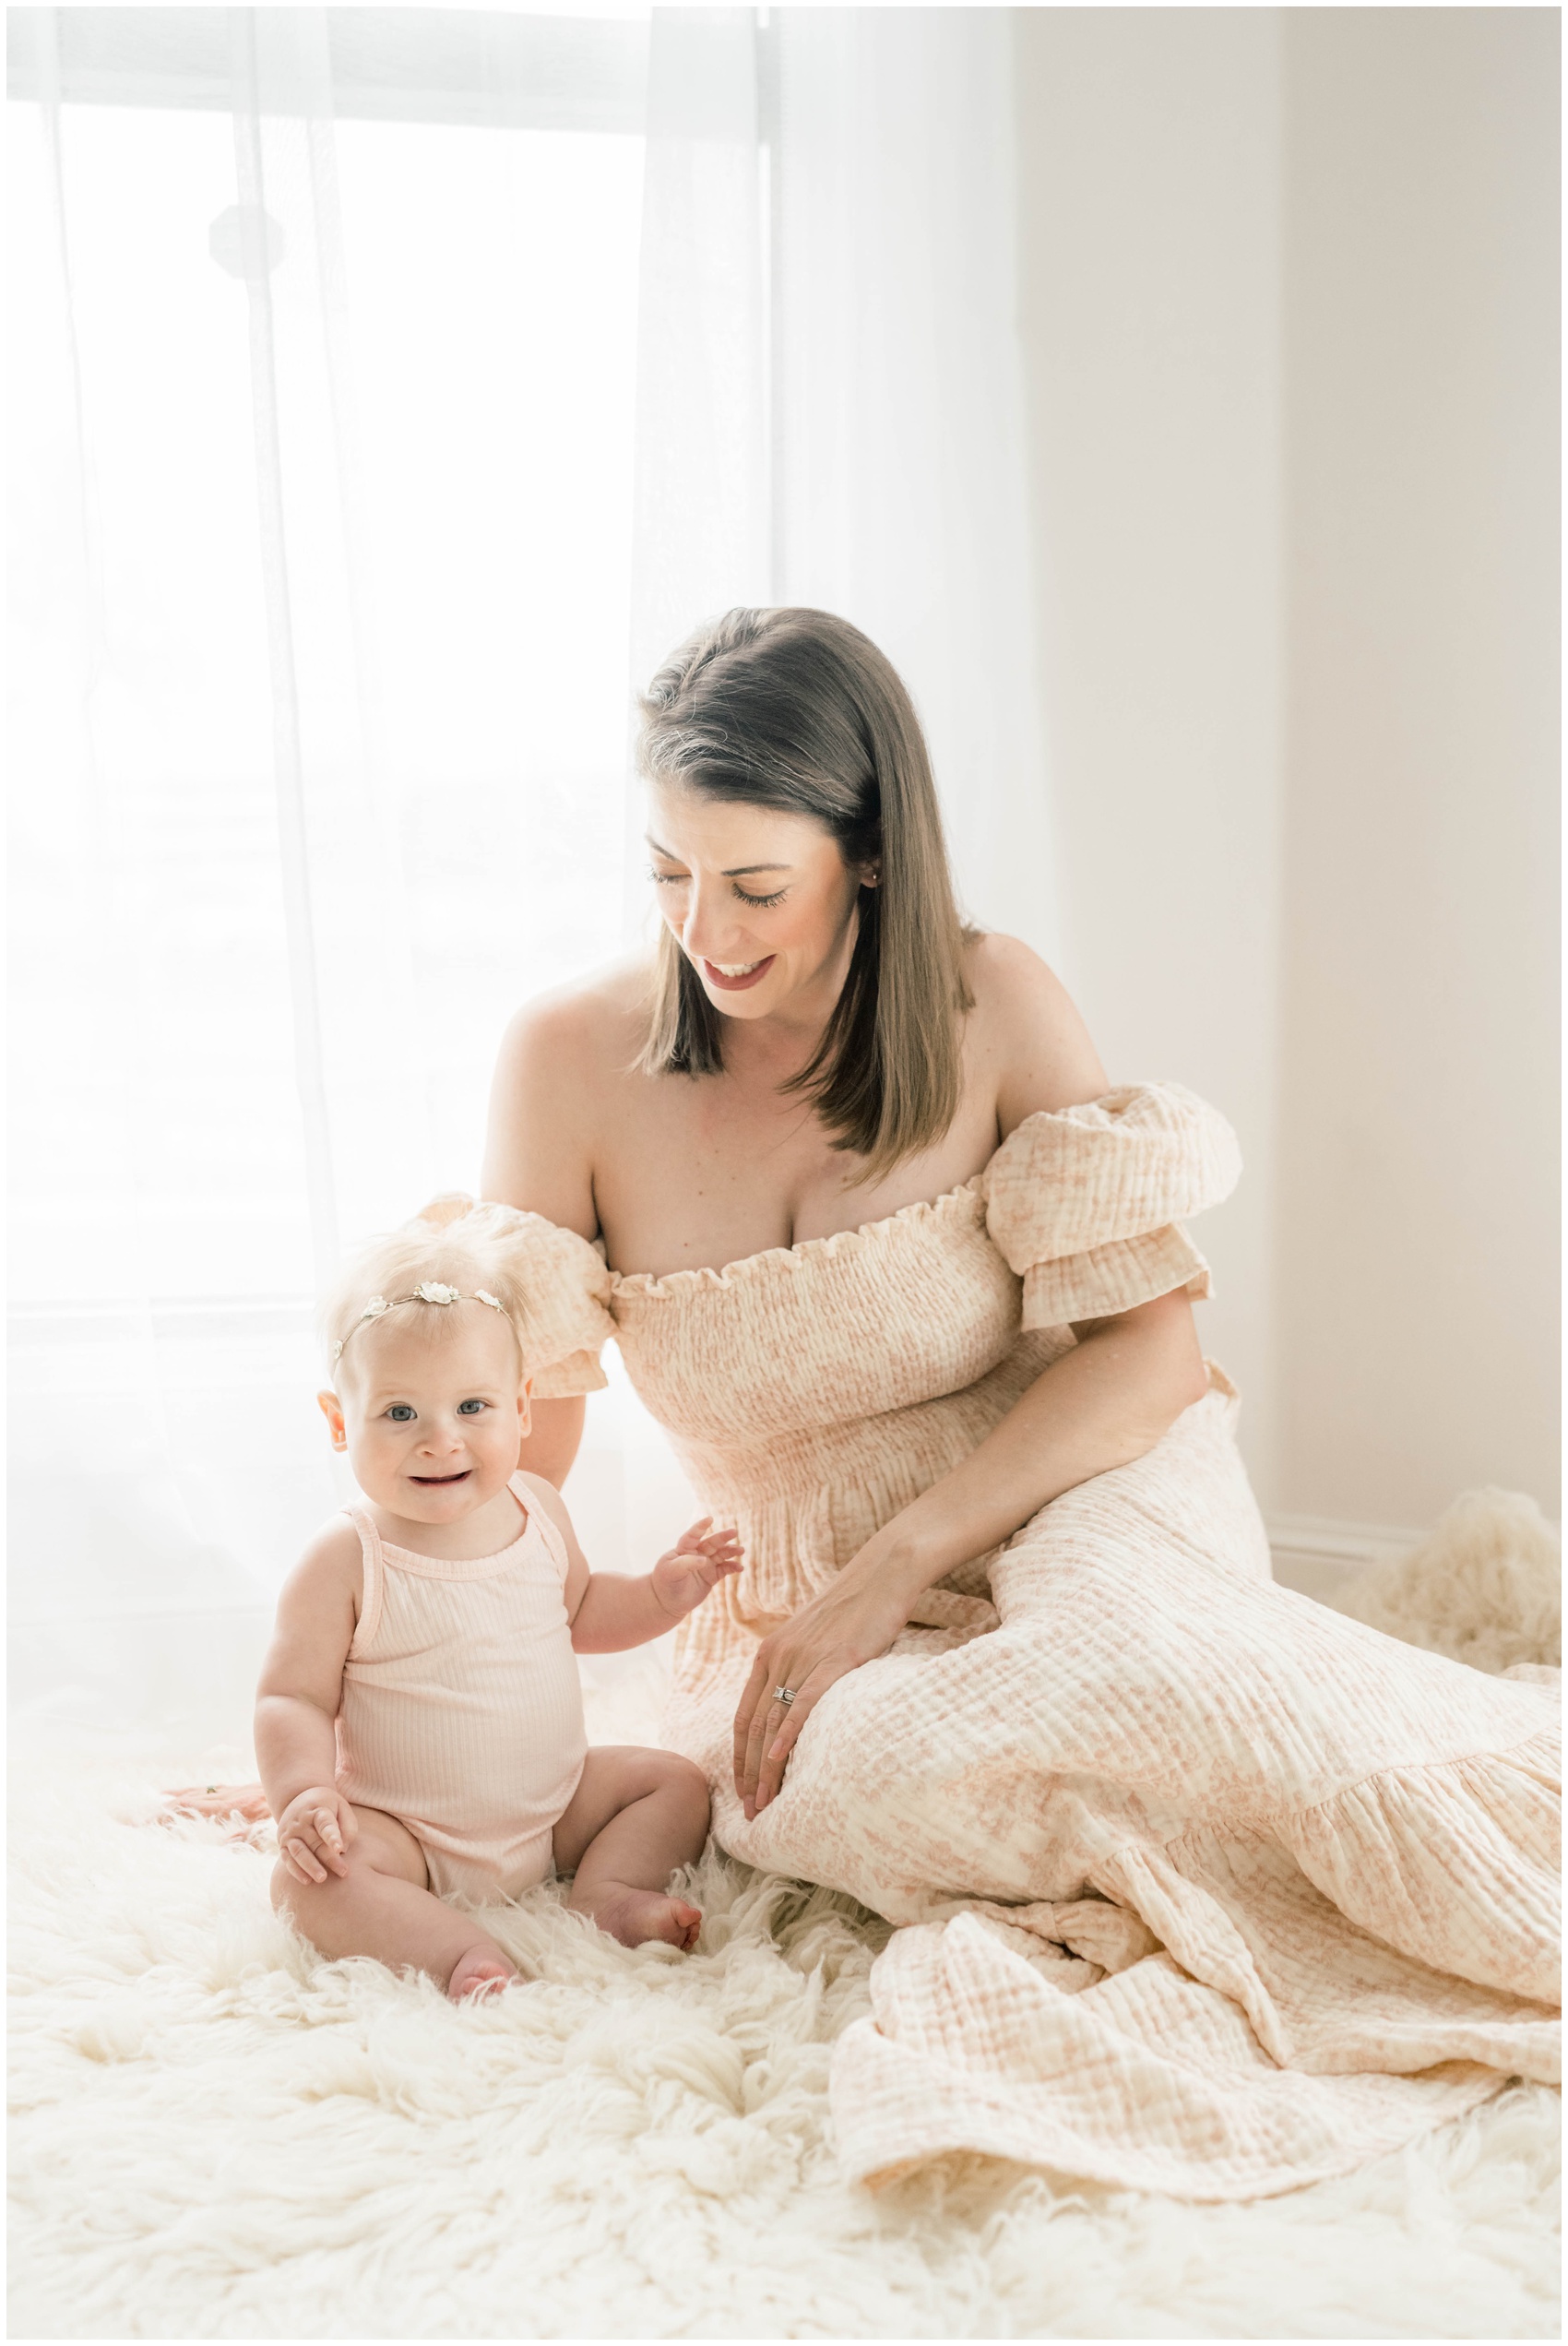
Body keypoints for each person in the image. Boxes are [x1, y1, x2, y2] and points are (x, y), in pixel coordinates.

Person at [191, 607, 1557, 2196]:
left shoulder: (994, 1003)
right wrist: (355, 1726)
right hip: (789, 1575)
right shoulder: (566, 1061)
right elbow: (517, 1466)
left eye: (754, 883)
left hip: (1077, 1474)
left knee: (1148, 1677)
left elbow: (1150, 1351)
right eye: (667, 873)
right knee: (871, 1782)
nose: (703, 928)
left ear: (873, 857)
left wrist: (901, 1564)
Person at [255, 1209, 742, 2000]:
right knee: (303, 1883)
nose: (441, 1439)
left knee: (673, 1782)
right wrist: (305, 1791)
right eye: (401, 1412)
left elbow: (581, 1609)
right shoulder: (347, 1557)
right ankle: (456, 1953)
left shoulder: (538, 1509)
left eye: (472, 1407)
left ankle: (605, 1893)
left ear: (521, 1405)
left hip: (553, 1809)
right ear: (341, 1423)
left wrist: (660, 1594)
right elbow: (291, 1695)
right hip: (407, 1832)